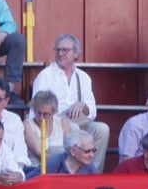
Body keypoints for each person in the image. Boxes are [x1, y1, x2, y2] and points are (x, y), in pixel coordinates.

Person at [32, 33, 109, 171]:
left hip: (80, 122)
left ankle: (93, 172)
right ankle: (73, 171)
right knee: (73, 129)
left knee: (102, 129)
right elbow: (36, 108)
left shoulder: (83, 77)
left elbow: (92, 111)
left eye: (65, 50)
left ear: (76, 54)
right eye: (58, 50)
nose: (61, 53)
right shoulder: (46, 75)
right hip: (56, 122)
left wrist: (83, 106)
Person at [24, 90, 73, 166]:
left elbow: (71, 147)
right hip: (38, 167)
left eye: (46, 114)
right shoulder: (27, 125)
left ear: (53, 112)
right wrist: (61, 166)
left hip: (61, 166)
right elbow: (39, 152)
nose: (41, 117)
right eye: (38, 113)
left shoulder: (62, 123)